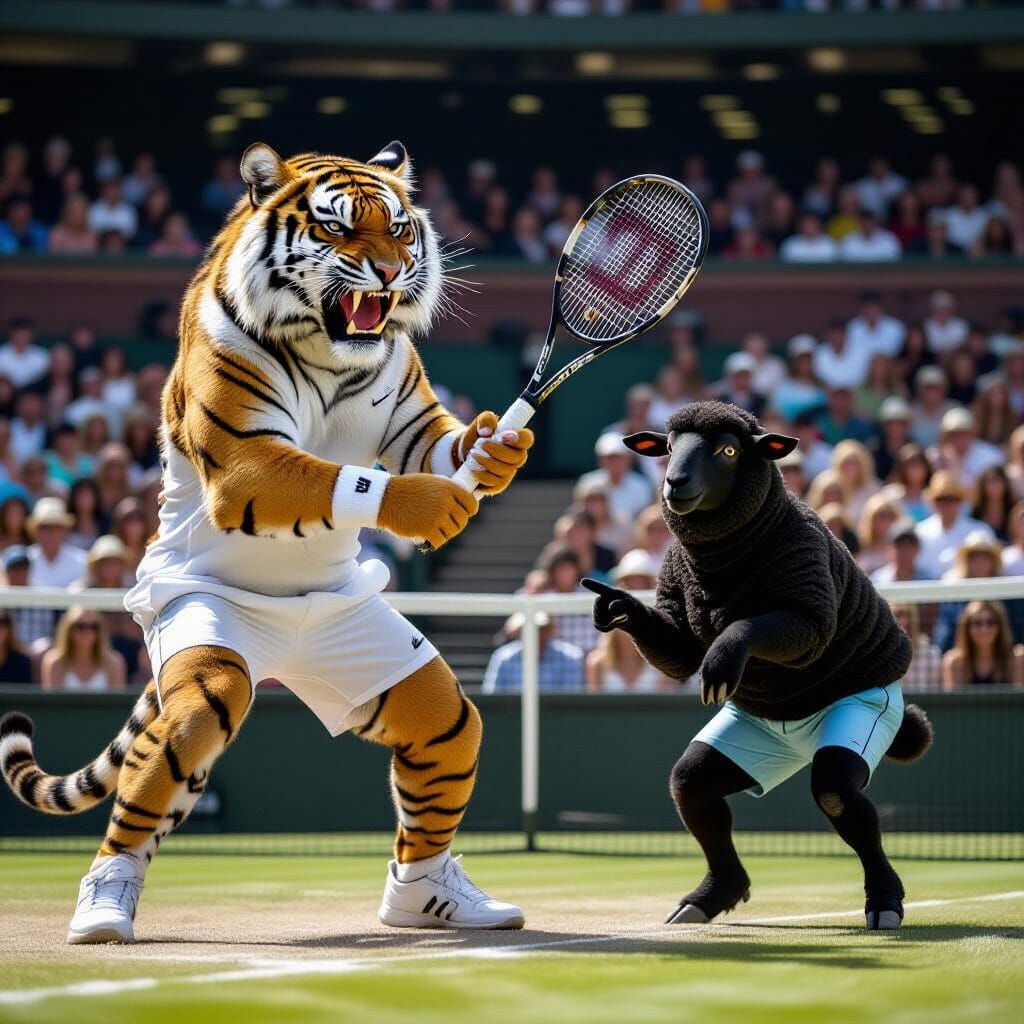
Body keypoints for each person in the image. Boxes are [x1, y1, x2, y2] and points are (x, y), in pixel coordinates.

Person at [586, 550, 675, 693]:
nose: (636, 589)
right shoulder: (597, 664)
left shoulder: (666, 662)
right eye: (629, 583)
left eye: (643, 583)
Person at [915, 473, 995, 580]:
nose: (946, 504)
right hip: (926, 593)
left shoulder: (980, 531)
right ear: (932, 502)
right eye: (940, 499)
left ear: (961, 501)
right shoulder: (920, 532)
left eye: (952, 499)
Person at [481, 610, 584, 693]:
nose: (535, 634)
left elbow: (571, 701)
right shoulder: (502, 657)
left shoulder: (571, 657)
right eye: (528, 628)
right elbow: (492, 696)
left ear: (550, 629)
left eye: (540, 628)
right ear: (519, 631)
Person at [41, 605, 127, 692]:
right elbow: (53, 702)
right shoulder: (55, 662)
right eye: (80, 626)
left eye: (93, 626)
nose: (87, 631)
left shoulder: (114, 663)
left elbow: (115, 702)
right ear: (68, 629)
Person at [942, 600, 1024, 688]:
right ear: (967, 627)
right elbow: (953, 701)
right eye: (977, 623)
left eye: (990, 622)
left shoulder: (1017, 658)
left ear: (1000, 626)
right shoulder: (954, 662)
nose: (984, 629)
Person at [576, 433, 653, 526]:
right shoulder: (587, 483)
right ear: (600, 460)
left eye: (618, 457)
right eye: (610, 458)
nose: (615, 462)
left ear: (628, 459)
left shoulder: (642, 486)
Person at [929, 407, 1002, 489]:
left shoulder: (991, 456)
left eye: (963, 433)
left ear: (972, 433)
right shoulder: (935, 456)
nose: (959, 438)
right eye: (954, 434)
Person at [26, 496, 87, 587]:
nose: (51, 533)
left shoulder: (82, 561)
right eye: (45, 527)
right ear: (36, 531)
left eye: (56, 527)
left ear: (64, 530)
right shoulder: (23, 561)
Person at [2, 544, 54, 648]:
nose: (20, 573)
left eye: (24, 568)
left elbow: (48, 633)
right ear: (6, 571)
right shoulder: (2, 595)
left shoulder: (42, 596)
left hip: (35, 654)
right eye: (15, 568)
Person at [771, 335, 824, 422]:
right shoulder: (782, 388)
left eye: (808, 359)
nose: (805, 363)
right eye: (801, 359)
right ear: (793, 361)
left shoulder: (823, 387)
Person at [890, 603, 941, 692]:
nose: (903, 622)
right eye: (898, 615)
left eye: (907, 616)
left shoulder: (931, 653)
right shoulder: (885, 654)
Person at [813, 320, 871, 392]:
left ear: (847, 335)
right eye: (834, 334)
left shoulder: (861, 353)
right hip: (827, 393)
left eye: (840, 334)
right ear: (828, 336)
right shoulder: (819, 353)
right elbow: (818, 379)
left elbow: (864, 378)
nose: (837, 338)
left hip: (855, 393)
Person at [846, 291, 906, 359]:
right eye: (867, 307)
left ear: (881, 308)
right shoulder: (852, 328)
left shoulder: (896, 328)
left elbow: (898, 355)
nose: (871, 311)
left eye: (874, 307)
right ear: (861, 309)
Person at [909, 366, 955, 448]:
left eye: (936, 388)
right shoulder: (910, 411)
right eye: (928, 388)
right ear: (919, 389)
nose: (932, 392)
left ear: (944, 389)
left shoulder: (953, 411)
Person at [886, 443, 933, 522]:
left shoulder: (936, 495)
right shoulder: (890, 496)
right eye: (910, 466)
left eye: (918, 465)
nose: (915, 470)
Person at [0, 318, 50, 390]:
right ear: (11, 334)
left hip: (34, 394)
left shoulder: (41, 355)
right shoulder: (1, 354)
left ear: (32, 335)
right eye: (19, 334)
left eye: (25, 335)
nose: (22, 338)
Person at [713, 352, 767, 418]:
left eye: (745, 375)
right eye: (738, 375)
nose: (742, 379)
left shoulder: (761, 399)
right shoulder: (720, 398)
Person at [923, 290, 969, 356]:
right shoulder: (926, 325)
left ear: (952, 309)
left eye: (945, 308)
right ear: (933, 309)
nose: (942, 312)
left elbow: (962, 345)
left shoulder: (961, 325)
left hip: (955, 358)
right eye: (939, 308)